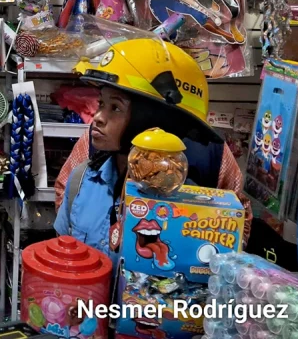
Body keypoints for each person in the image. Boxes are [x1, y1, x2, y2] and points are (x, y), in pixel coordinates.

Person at [53, 27, 252, 265]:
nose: (97, 117)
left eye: (115, 107)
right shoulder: (88, 164)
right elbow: (65, 211)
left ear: (151, 117)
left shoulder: (211, 155)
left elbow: (238, 228)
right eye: (101, 104)